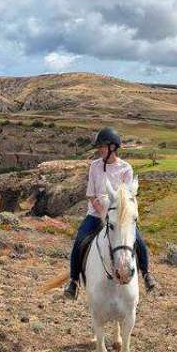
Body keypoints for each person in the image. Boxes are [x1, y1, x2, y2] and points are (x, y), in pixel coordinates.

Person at [63, 127, 158, 300]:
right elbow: (91, 194)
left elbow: (128, 197)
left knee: (140, 242)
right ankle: (73, 281)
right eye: (99, 146)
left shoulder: (126, 169)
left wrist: (115, 216)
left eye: (102, 146)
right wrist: (102, 214)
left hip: (120, 217)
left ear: (113, 147)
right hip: (96, 214)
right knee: (79, 241)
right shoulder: (94, 166)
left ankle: (146, 274)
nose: (99, 149)